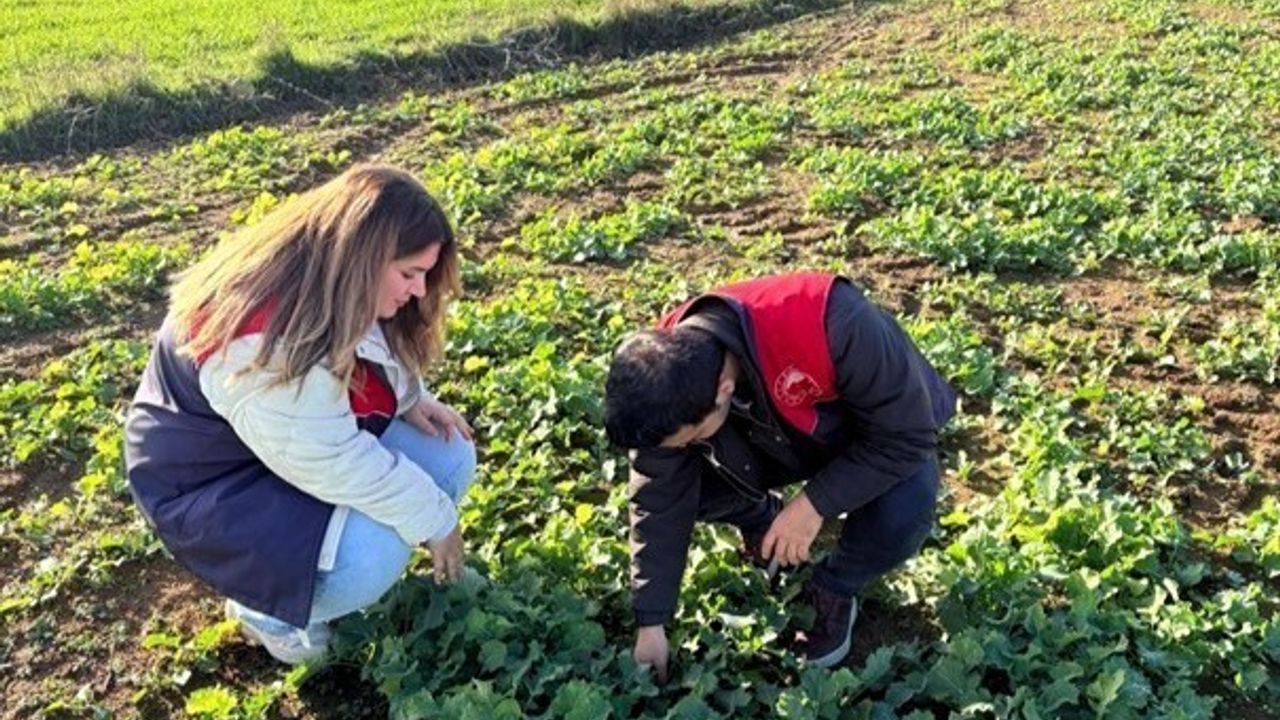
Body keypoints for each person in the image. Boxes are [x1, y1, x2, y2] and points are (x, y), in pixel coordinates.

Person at [124, 164, 477, 664]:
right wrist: (433, 519)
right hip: (209, 488)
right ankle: (264, 611)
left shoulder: (326, 269)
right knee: (373, 554)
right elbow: (331, 460)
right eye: (409, 274)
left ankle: (325, 569)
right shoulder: (263, 340)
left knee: (447, 455)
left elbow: (369, 342)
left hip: (271, 443)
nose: (419, 291)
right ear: (364, 257)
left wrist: (408, 397)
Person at [603, 271, 955, 679]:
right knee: (684, 485)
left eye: (692, 436)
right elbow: (657, 497)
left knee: (906, 504)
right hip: (776, 432)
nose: (686, 446)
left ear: (722, 390)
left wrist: (814, 505)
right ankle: (764, 521)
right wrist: (651, 622)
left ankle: (836, 586)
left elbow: (906, 437)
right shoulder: (662, 374)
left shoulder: (835, 320)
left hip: (873, 431)